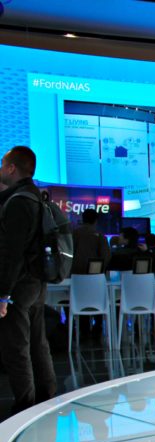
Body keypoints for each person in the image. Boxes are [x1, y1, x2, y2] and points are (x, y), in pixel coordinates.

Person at [0, 145, 57, 417]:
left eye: (3, 164)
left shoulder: (18, 201)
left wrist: (2, 294)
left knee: (17, 347)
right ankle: (46, 398)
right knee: (37, 343)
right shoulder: (36, 197)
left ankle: (24, 407)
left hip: (20, 286)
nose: (1, 169)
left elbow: (11, 253)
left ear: (12, 168)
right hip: (37, 282)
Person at [70, 207, 111, 274]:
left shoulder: (74, 234)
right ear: (96, 221)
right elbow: (106, 256)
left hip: (75, 273)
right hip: (94, 274)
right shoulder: (100, 237)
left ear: (83, 219)